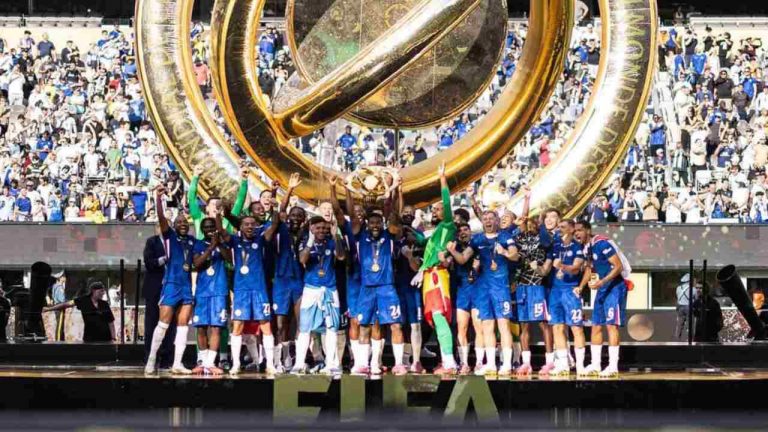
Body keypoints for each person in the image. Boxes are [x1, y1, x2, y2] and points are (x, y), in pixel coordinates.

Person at [216, 200, 280, 375]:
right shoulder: (235, 240)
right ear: (241, 227)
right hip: (241, 290)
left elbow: (275, 224)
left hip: (259, 290)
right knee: (237, 326)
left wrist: (275, 207)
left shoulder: (261, 239)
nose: (250, 227)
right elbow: (221, 230)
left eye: (252, 224)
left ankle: (270, 364)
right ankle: (236, 364)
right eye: (246, 224)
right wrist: (219, 214)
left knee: (265, 326)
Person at [350, 177, 405, 375]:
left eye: (378, 222)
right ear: (367, 223)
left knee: (395, 324)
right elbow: (352, 216)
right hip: (367, 288)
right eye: (371, 222)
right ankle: (364, 363)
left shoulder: (389, 235)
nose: (375, 225)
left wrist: (394, 190)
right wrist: (350, 190)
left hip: (387, 287)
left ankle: (399, 363)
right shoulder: (359, 236)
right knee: (364, 325)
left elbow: (395, 216)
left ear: (382, 224)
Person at [411, 163, 457, 374]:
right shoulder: (436, 232)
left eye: (438, 209)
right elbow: (424, 242)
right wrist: (410, 230)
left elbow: (447, 203)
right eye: (434, 209)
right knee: (435, 318)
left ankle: (449, 361)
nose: (436, 211)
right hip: (429, 276)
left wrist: (442, 180)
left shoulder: (448, 226)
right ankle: (446, 359)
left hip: (438, 275)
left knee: (439, 316)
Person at [144, 186, 195, 375]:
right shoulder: (170, 237)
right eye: (179, 222)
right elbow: (161, 218)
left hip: (187, 287)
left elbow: (201, 256)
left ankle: (177, 363)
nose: (183, 224)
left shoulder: (192, 241)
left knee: (182, 326)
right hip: (171, 285)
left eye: (185, 222)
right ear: (173, 226)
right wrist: (158, 199)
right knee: (163, 324)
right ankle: (151, 360)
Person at [292, 216, 346, 374]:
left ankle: (331, 363)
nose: (322, 230)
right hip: (311, 289)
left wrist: (336, 236)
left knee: (331, 327)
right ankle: (299, 363)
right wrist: (310, 240)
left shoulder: (332, 241)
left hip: (330, 289)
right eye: (318, 228)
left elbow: (341, 256)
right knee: (304, 327)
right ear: (311, 228)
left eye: (325, 228)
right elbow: (302, 259)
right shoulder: (305, 242)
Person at [575, 220, 629, 378]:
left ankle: (613, 366)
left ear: (587, 230)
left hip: (615, 287)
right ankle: (596, 364)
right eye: (575, 231)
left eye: (579, 230)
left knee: (611, 325)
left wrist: (602, 281)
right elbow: (589, 268)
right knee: (596, 325)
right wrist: (581, 286)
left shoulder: (601, 243)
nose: (577, 234)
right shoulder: (587, 248)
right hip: (602, 288)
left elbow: (618, 266)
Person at [471, 209, 518, 377]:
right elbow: (465, 257)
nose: (488, 221)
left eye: (491, 218)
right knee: (487, 326)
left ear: (497, 220)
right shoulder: (477, 239)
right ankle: (490, 364)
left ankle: (507, 364)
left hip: (500, 287)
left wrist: (504, 252)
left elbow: (515, 255)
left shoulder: (505, 236)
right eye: (485, 219)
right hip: (483, 288)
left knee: (504, 325)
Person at [542, 219, 587, 376]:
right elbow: (546, 269)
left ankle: (580, 366)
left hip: (570, 291)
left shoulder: (577, 246)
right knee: (557, 327)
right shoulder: (555, 246)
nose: (559, 229)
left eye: (562, 227)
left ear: (572, 229)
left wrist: (561, 266)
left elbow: (576, 269)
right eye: (558, 227)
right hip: (555, 292)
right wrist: (537, 268)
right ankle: (563, 365)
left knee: (576, 327)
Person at [270, 174, 305, 372]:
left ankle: (297, 360)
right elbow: (280, 210)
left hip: (299, 282)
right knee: (281, 323)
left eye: (300, 216)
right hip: (281, 282)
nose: (296, 219)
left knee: (300, 322)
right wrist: (289, 189)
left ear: (304, 220)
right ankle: (281, 359)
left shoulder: (306, 233)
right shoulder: (281, 230)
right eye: (294, 215)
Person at [190, 217, 231, 375]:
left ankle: (210, 363)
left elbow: (230, 259)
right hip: (202, 291)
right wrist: (210, 248)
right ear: (202, 229)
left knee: (216, 327)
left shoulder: (223, 243)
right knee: (201, 327)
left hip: (219, 291)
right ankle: (202, 361)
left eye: (212, 227)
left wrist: (218, 244)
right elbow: (197, 264)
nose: (209, 230)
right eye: (206, 227)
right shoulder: (198, 244)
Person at [446, 222, 481, 374]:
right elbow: (447, 262)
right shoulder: (454, 247)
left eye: (466, 229)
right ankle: (464, 362)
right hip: (462, 291)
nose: (463, 233)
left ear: (470, 231)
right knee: (462, 327)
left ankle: (479, 362)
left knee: (479, 327)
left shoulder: (476, 245)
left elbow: (463, 260)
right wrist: (444, 259)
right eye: (460, 231)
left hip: (477, 289)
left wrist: (452, 251)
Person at [142, 229, 175, 369]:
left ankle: (167, 360)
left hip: (171, 289)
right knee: (151, 324)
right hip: (154, 289)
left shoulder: (175, 242)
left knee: (170, 326)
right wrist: (164, 259)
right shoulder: (152, 242)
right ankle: (150, 357)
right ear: (157, 228)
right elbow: (149, 263)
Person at [44, 280, 115, 343]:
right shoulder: (83, 300)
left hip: (105, 339)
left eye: (103, 291)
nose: (103, 293)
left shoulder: (105, 304)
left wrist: (113, 338)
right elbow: (66, 304)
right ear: (93, 291)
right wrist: (49, 309)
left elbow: (111, 322)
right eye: (101, 291)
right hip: (90, 338)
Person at [675, 273, 693, 340]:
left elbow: (677, 297)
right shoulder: (693, 289)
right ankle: (690, 338)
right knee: (690, 324)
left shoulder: (678, 288)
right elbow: (696, 298)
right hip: (689, 307)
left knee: (679, 323)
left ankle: (677, 337)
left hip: (680, 307)